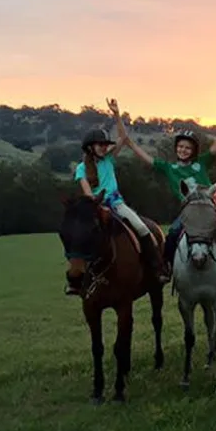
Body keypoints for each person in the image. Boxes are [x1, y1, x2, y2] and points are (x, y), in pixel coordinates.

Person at [115, 104, 216, 283]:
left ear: (194, 151)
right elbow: (146, 158)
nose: (183, 150)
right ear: (176, 148)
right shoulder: (169, 168)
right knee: (173, 233)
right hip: (189, 210)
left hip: (210, 206)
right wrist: (131, 144)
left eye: (187, 148)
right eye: (180, 147)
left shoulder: (201, 162)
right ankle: (167, 268)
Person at [66, 99, 163, 294]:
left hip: (117, 204)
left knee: (142, 228)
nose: (103, 147)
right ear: (90, 147)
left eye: (104, 144)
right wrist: (96, 207)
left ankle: (157, 269)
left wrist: (117, 115)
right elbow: (87, 192)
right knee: (79, 236)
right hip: (96, 208)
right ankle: (76, 281)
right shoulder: (81, 168)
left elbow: (124, 138)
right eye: (99, 145)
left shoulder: (109, 158)